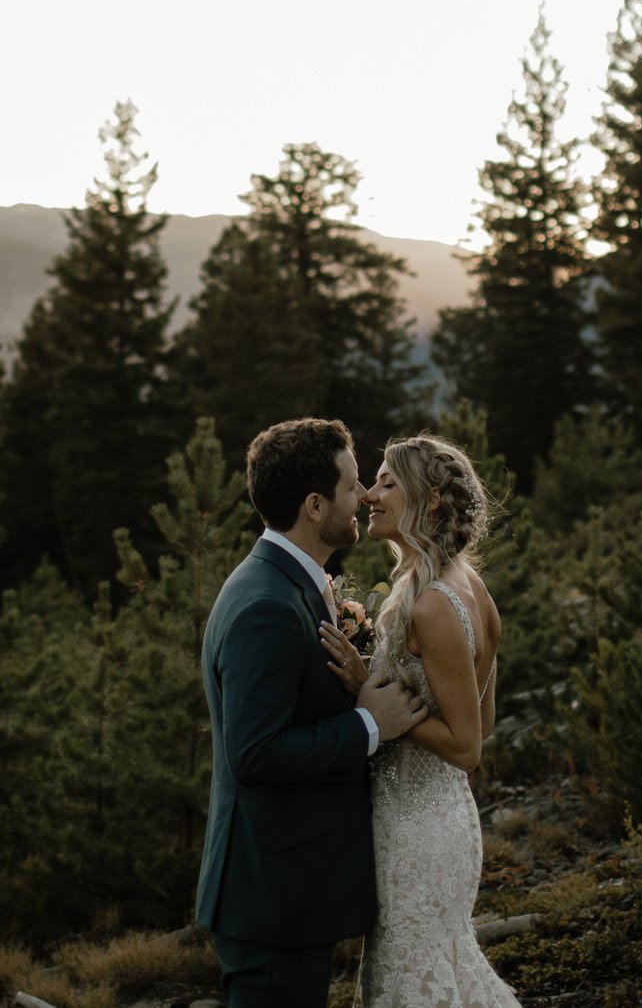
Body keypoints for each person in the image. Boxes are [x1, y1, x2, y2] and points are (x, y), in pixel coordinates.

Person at [196, 417, 428, 1008]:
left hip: (290, 888)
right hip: (273, 895)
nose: (365, 498)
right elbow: (256, 753)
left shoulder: (288, 584)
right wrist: (371, 724)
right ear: (315, 504)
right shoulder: (265, 606)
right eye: (353, 487)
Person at [320, 433, 520, 1008]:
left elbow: (466, 746)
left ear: (430, 500)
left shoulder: (432, 602)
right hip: (443, 819)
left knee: (410, 981)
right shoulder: (468, 586)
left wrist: (367, 688)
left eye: (387, 482)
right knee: (436, 967)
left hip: (417, 833)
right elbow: (483, 716)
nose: (368, 495)